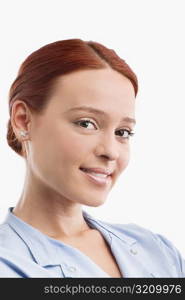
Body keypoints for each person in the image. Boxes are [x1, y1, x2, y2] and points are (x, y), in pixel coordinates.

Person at [0, 39, 184, 278]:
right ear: (23, 120)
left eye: (122, 132)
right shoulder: (8, 265)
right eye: (86, 123)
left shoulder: (158, 251)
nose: (111, 151)